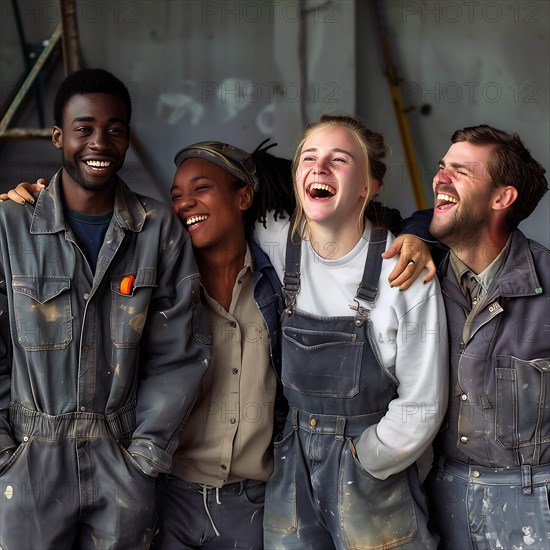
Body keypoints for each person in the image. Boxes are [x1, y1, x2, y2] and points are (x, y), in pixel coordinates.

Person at [0, 69, 210, 549]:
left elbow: (179, 353)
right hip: (29, 459)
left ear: (128, 139)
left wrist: (145, 456)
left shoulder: (158, 231)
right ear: (58, 136)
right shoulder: (9, 226)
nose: (100, 142)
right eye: (83, 129)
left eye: (115, 130)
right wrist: (5, 452)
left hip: (121, 460)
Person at [253, 114, 448, 549]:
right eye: (309, 157)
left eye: (338, 160)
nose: (319, 169)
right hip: (291, 462)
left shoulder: (403, 270)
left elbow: (424, 401)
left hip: (372, 466)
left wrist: (368, 459)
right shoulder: (272, 240)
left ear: (368, 186)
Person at [412, 125, 549, 549]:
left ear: (501, 198)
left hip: (535, 510)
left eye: (460, 171)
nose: (440, 178)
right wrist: (412, 233)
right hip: (439, 503)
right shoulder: (413, 278)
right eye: (441, 167)